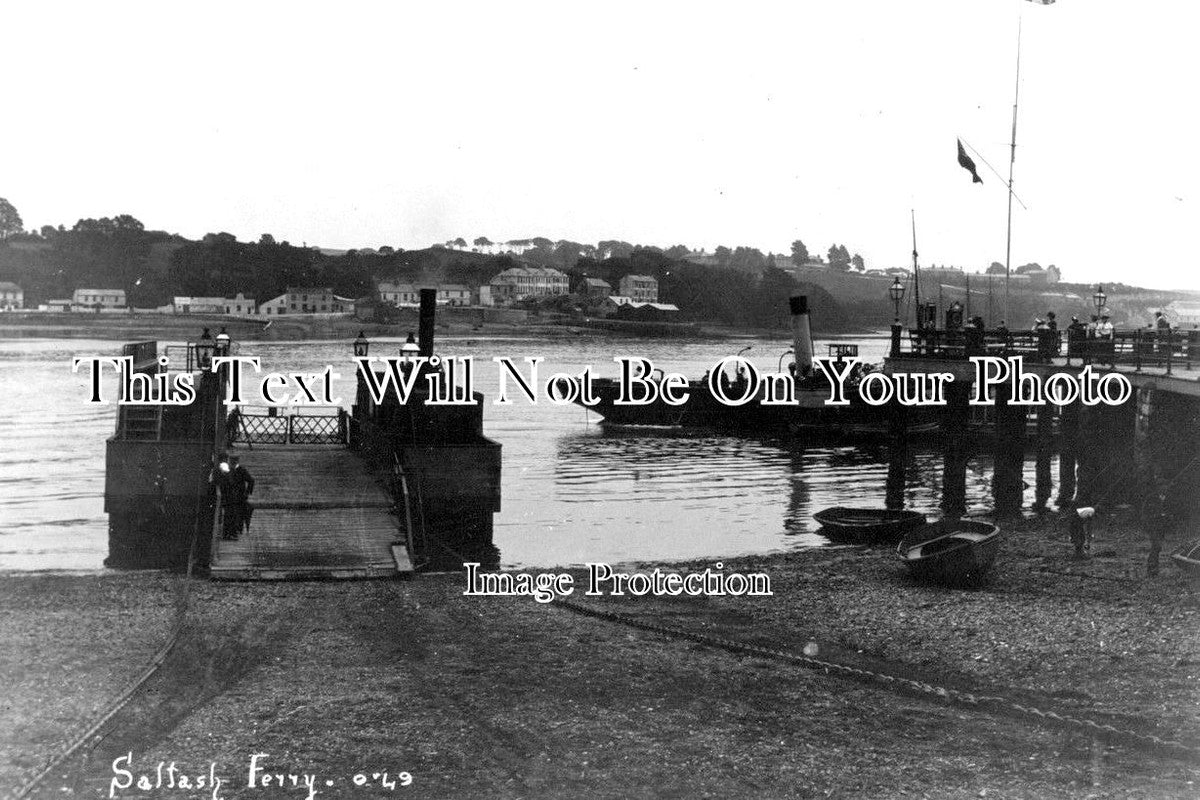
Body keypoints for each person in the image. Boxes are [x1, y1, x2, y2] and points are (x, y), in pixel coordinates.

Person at [229, 455, 255, 536]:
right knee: (235, 512)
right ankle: (235, 529)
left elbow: (251, 480)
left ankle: (238, 529)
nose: (232, 462)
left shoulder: (241, 470)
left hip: (239, 495)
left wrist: (247, 492)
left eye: (234, 460)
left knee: (239, 512)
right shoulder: (230, 470)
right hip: (232, 494)